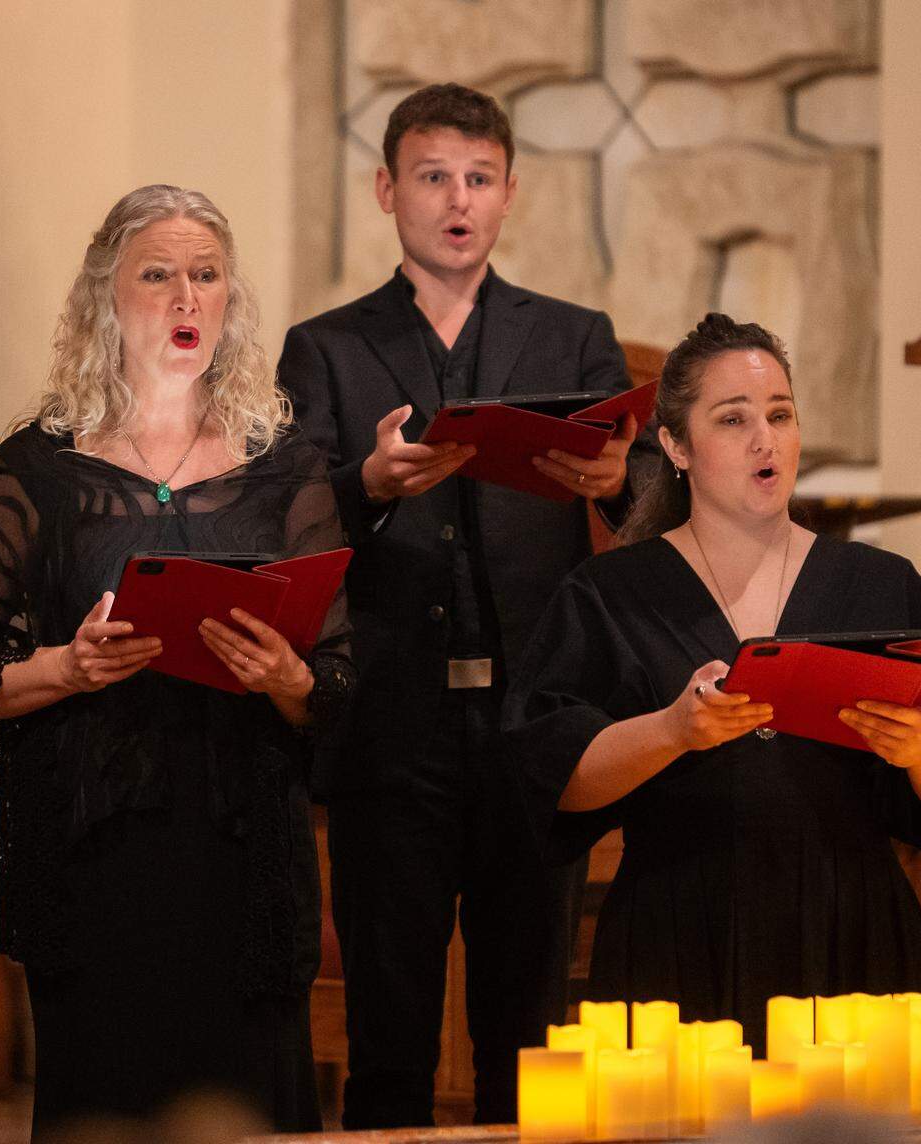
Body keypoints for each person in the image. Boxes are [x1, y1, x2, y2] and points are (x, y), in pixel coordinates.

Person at [0, 185, 354, 1139]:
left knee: (250, 1105)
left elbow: (340, 682)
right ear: (105, 301)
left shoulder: (287, 470)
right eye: (158, 275)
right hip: (92, 856)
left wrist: (287, 678)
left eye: (206, 276)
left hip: (244, 861)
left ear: (231, 299)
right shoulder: (37, 468)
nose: (186, 297)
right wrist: (64, 669)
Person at [277, 83, 649, 1127]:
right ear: (388, 190)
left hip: (536, 723)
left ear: (511, 193)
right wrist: (369, 485)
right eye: (434, 176)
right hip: (389, 722)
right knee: (391, 1036)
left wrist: (614, 480)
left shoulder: (575, 337)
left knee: (525, 1038)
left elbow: (654, 497)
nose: (459, 199)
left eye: (480, 179)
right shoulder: (328, 348)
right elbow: (284, 518)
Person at [502, 312, 921, 1057]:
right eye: (732, 419)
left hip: (852, 935)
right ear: (675, 445)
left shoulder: (878, 586)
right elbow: (553, 781)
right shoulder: (612, 592)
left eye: (780, 415)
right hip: (678, 931)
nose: (764, 439)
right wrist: (673, 731)